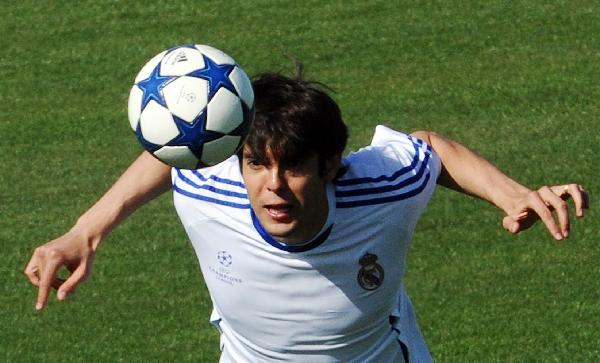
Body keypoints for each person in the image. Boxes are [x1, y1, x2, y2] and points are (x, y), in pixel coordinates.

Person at [24, 72, 588, 362]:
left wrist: (512, 194)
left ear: (331, 166)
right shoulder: (211, 182)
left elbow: (429, 148)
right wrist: (85, 231)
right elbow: (170, 154)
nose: (272, 187)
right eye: (255, 165)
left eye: (293, 167)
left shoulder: (382, 186)